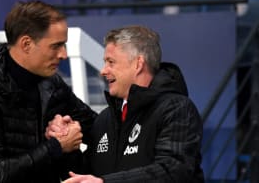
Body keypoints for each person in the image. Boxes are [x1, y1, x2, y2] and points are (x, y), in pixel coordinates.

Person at [0, 0, 97, 183]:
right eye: (56, 46)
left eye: (64, 45)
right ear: (26, 44)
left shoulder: (52, 84)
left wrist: (71, 132)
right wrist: (56, 146)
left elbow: (97, 129)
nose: (63, 55)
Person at [58, 25, 204, 182]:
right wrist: (65, 147)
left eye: (111, 62)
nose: (103, 71)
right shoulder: (105, 118)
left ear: (138, 64)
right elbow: (88, 176)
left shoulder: (177, 109)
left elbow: (173, 171)